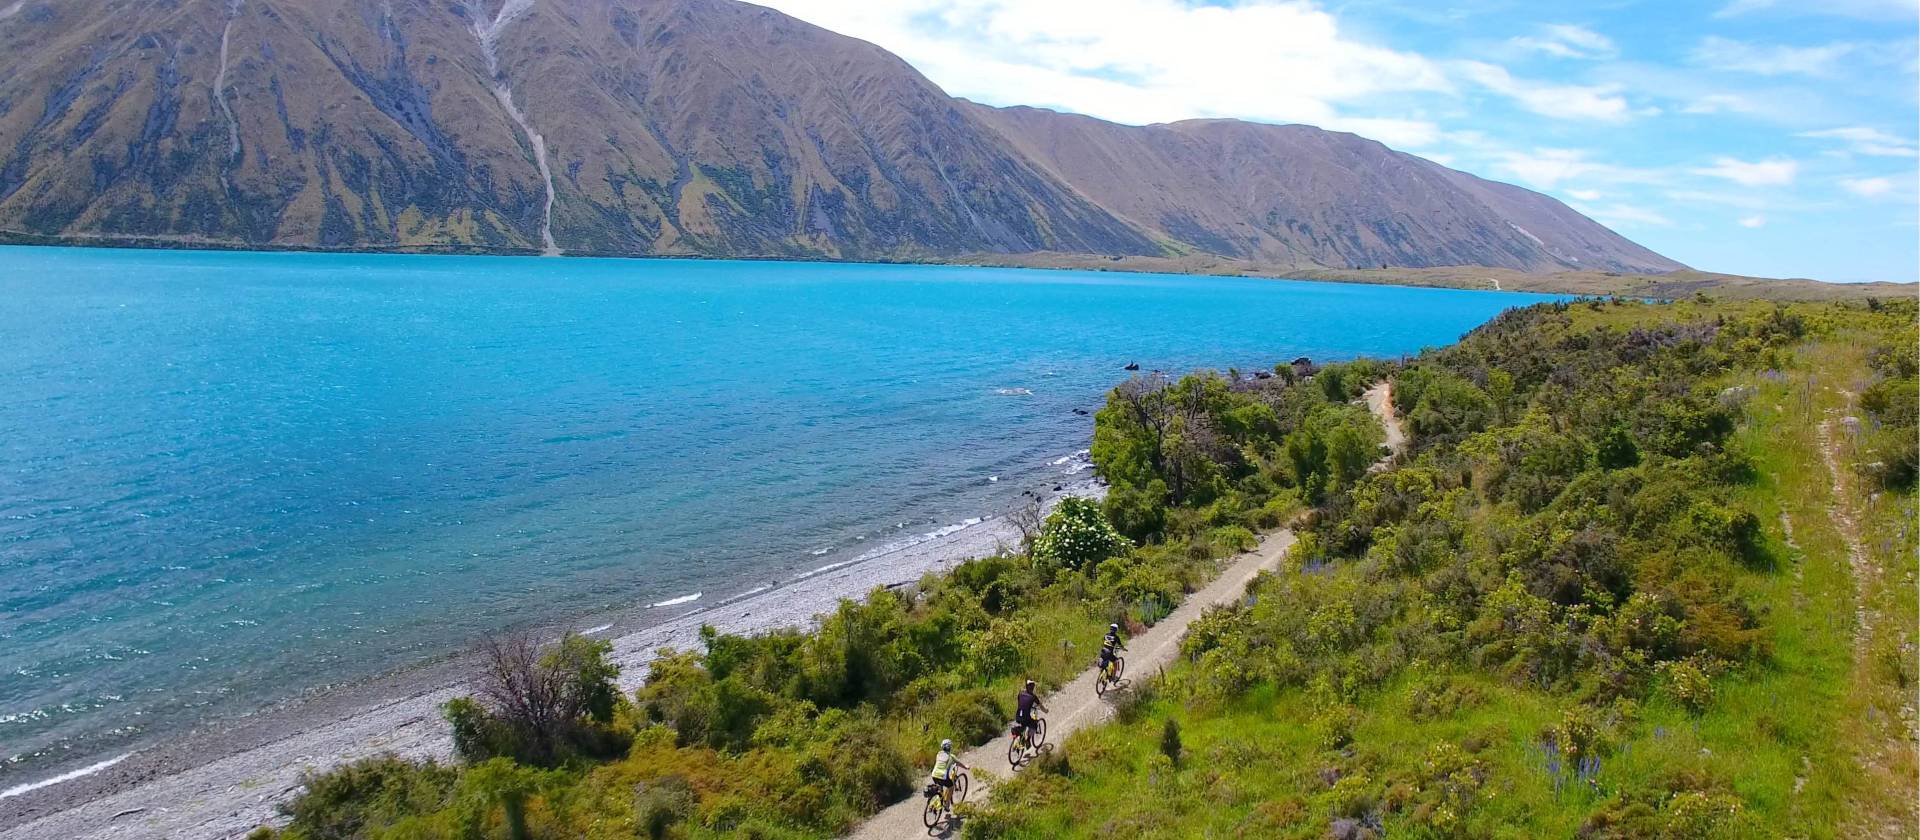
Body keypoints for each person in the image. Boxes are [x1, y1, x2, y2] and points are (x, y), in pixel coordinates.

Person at [930, 738, 969, 811]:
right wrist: (966, 767)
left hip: (934, 775)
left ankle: (935, 803)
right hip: (942, 776)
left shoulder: (938, 754)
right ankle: (946, 804)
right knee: (951, 787)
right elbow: (959, 763)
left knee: (939, 789)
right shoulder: (952, 756)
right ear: (950, 747)